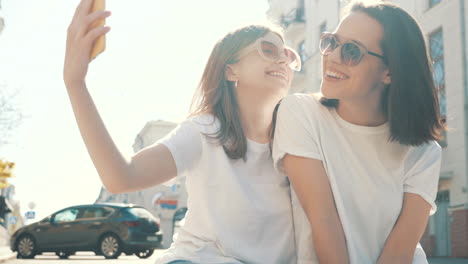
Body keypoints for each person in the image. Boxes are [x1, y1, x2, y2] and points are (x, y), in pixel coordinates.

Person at [63, 0, 302, 263]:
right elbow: (121, 177)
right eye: (268, 49)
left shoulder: (298, 141)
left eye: (289, 55)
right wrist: (75, 83)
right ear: (231, 69)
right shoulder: (205, 132)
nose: (283, 60)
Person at [272, 1, 444, 263]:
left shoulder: (424, 152)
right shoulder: (300, 112)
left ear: (389, 71)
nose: (332, 57)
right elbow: (324, 222)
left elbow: (400, 252)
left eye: (352, 51)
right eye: (332, 42)